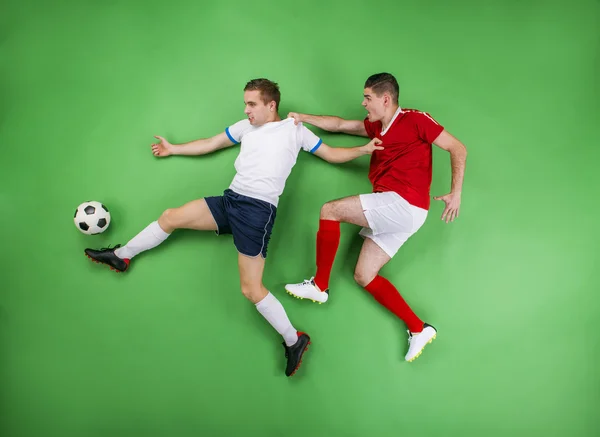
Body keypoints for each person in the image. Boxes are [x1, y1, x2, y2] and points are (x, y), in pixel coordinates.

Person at [84, 78, 383, 377]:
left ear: (271, 105)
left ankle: (295, 340)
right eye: (246, 103)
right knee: (170, 217)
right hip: (231, 201)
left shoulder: (295, 131)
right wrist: (173, 148)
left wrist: (364, 149)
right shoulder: (245, 127)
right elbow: (211, 144)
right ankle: (121, 256)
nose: (246, 109)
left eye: (252, 104)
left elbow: (330, 153)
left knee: (251, 290)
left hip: (257, 212)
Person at [284, 72, 467, 363]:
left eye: (368, 97)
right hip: (398, 212)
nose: (363, 103)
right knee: (364, 275)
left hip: (403, 204)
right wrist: (302, 117)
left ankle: (319, 285)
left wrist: (455, 193)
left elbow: (457, 147)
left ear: (386, 98)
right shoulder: (375, 128)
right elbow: (342, 125)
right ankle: (419, 328)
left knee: (329, 210)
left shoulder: (415, 119)